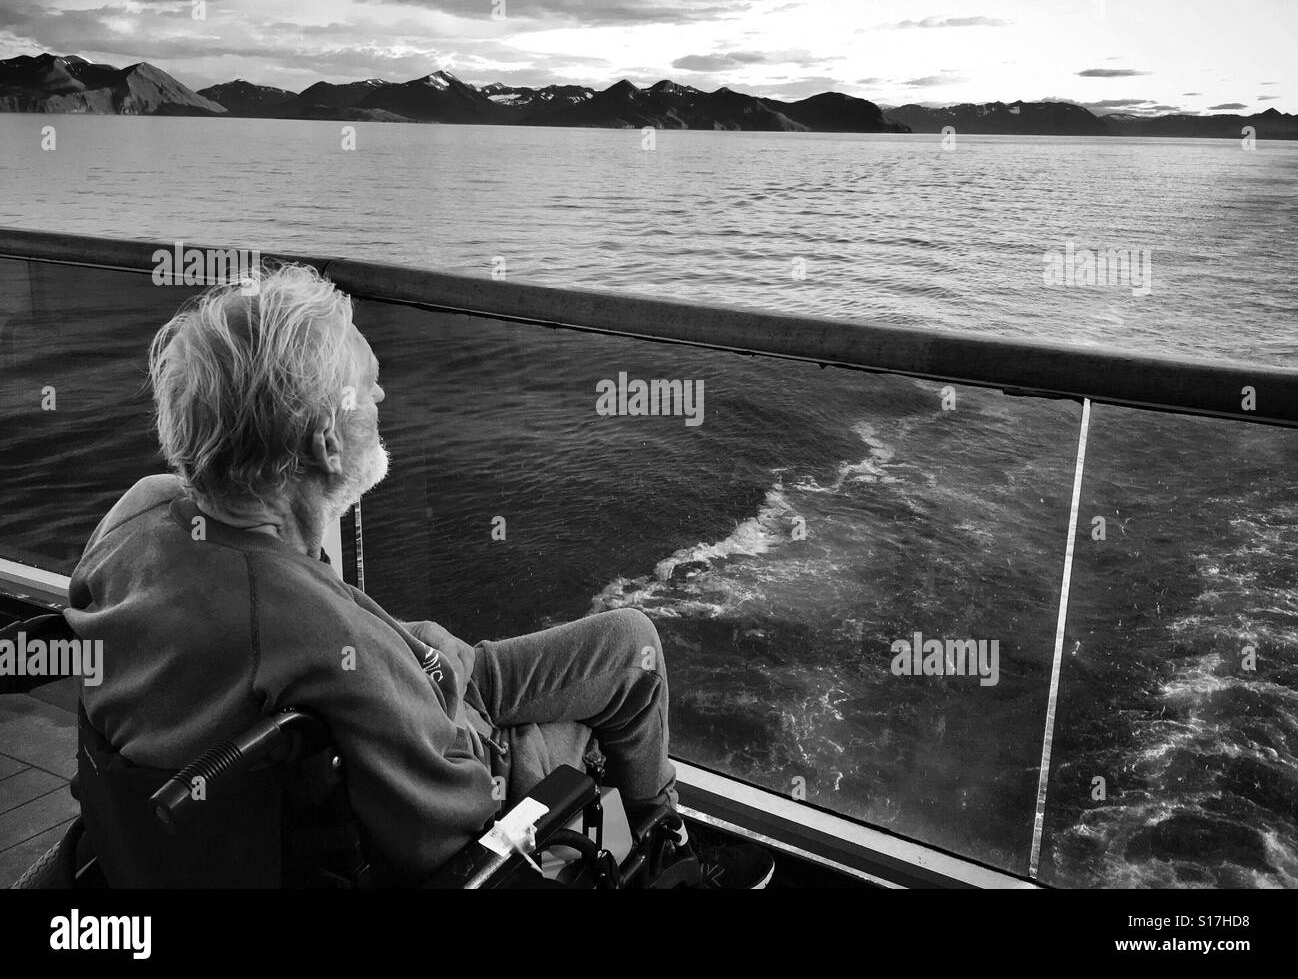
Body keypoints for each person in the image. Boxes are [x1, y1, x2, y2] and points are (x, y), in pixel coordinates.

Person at [65, 262, 773, 888]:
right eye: (369, 390)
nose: (381, 403)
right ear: (321, 439)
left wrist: (421, 662)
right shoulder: (309, 633)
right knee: (612, 699)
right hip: (457, 740)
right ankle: (654, 853)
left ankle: (649, 835)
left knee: (628, 639)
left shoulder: (142, 511)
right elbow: (456, 820)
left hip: (430, 674)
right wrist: (524, 753)